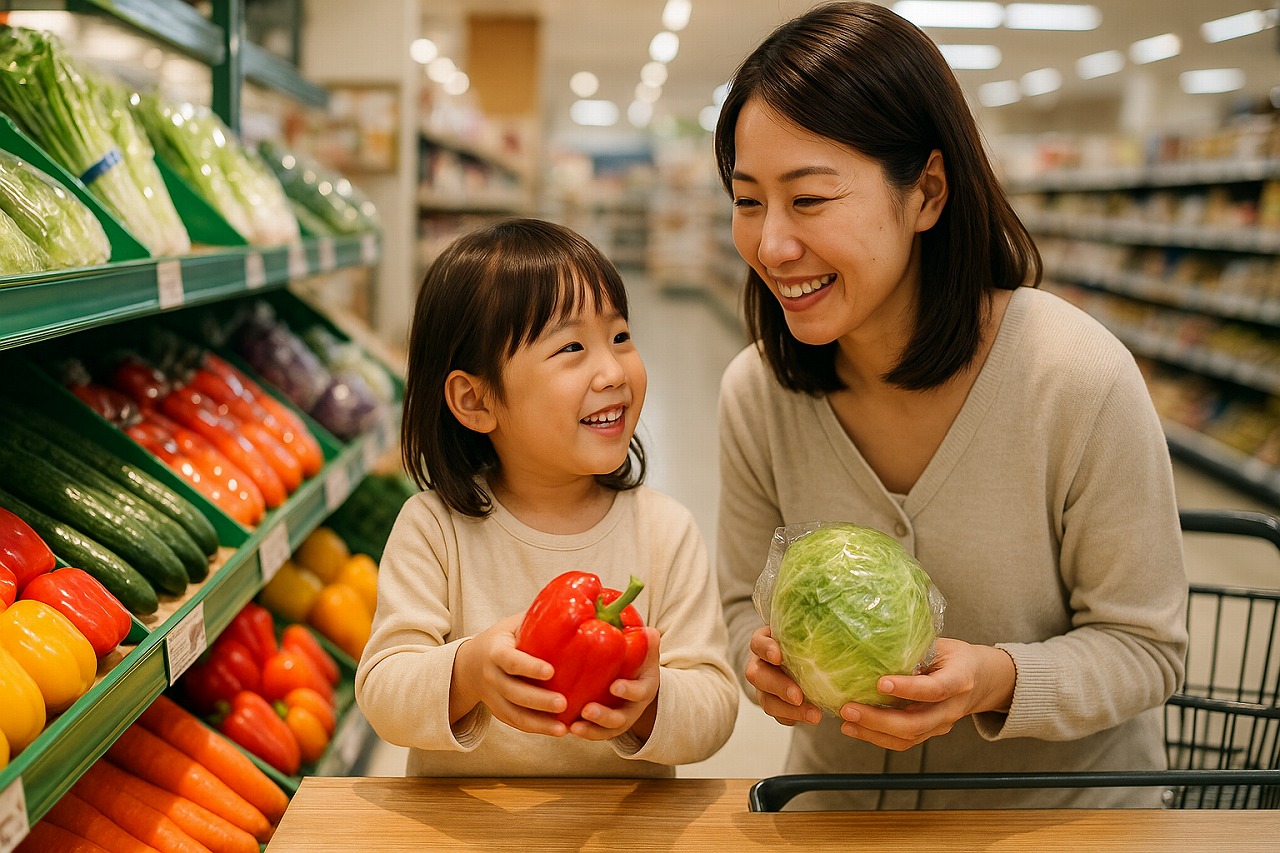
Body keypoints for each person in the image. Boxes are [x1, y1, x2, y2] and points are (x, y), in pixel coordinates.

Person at [713, 2, 1187, 809]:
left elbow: (1148, 649)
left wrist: (996, 680)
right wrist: (761, 663)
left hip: (1061, 825)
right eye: (748, 200)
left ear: (927, 192)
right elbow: (736, 608)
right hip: (843, 815)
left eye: (810, 199)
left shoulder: (1076, 377)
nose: (771, 244)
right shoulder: (758, 393)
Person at [355, 217, 738, 778]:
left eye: (620, 337)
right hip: (470, 820)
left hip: (621, 821)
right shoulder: (433, 529)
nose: (613, 372)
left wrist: (650, 702)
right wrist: (468, 672)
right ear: (476, 400)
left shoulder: (665, 531)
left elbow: (716, 703)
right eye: (573, 347)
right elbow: (383, 690)